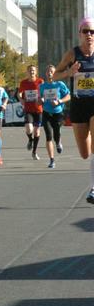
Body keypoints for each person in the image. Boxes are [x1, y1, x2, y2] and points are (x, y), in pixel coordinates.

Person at [54, 17, 94, 202]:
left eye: (92, 32)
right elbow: (55, 76)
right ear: (79, 34)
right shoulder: (72, 54)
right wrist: (69, 73)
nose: (89, 35)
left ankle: (93, 188)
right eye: (85, 31)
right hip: (78, 106)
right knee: (85, 154)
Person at [40, 64, 70, 169]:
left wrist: (59, 101)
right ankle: (52, 160)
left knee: (56, 134)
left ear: (55, 73)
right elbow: (40, 99)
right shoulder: (42, 86)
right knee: (49, 136)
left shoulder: (60, 84)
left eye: (52, 71)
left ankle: (58, 142)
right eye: (48, 71)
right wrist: (41, 100)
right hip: (46, 113)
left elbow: (68, 96)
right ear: (46, 73)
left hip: (58, 113)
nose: (49, 73)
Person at [18, 64, 44, 160]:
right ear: (27, 72)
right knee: (29, 129)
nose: (31, 72)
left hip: (38, 110)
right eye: (30, 70)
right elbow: (19, 93)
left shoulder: (40, 81)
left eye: (33, 70)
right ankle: (30, 139)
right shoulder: (23, 83)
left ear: (36, 72)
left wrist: (42, 98)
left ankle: (34, 152)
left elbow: (44, 92)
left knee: (37, 132)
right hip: (28, 109)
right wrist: (21, 99)